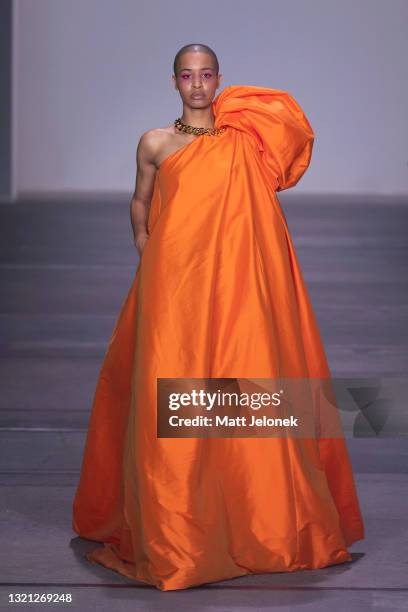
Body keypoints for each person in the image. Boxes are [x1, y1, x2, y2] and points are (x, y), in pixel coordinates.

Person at [72, 43, 365, 591]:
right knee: (170, 389)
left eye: (207, 75)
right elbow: (141, 200)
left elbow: (294, 139)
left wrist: (242, 109)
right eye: (188, 76)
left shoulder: (243, 139)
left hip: (236, 285)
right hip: (174, 285)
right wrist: (143, 243)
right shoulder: (156, 143)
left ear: (219, 79)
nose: (198, 85)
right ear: (174, 82)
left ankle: (252, 515)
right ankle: (178, 525)